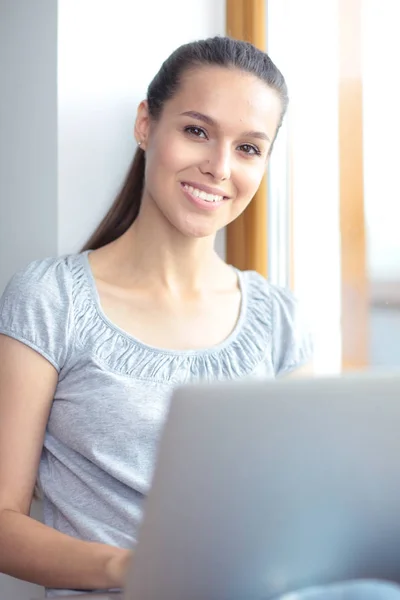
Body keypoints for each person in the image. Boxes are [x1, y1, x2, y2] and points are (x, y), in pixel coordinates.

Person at [0, 36, 313, 597]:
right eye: (197, 131)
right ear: (147, 125)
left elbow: (307, 506)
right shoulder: (50, 298)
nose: (219, 167)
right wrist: (132, 568)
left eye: (248, 148)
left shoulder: (280, 319)